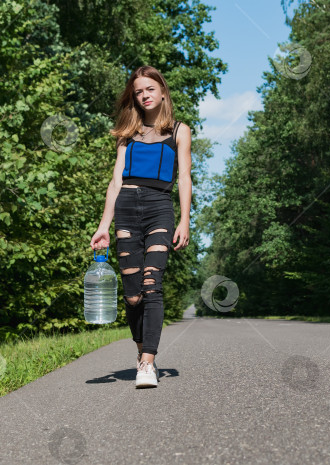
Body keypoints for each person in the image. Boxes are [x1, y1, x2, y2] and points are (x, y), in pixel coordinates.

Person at [89, 66, 191, 388]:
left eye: (149, 89)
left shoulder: (179, 131)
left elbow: (185, 178)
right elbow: (116, 180)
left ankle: (147, 363)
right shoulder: (126, 134)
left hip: (160, 208)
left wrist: (185, 219)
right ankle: (141, 353)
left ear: (162, 91)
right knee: (133, 296)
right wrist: (104, 225)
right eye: (138, 92)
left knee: (152, 283)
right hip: (128, 209)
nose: (144, 95)